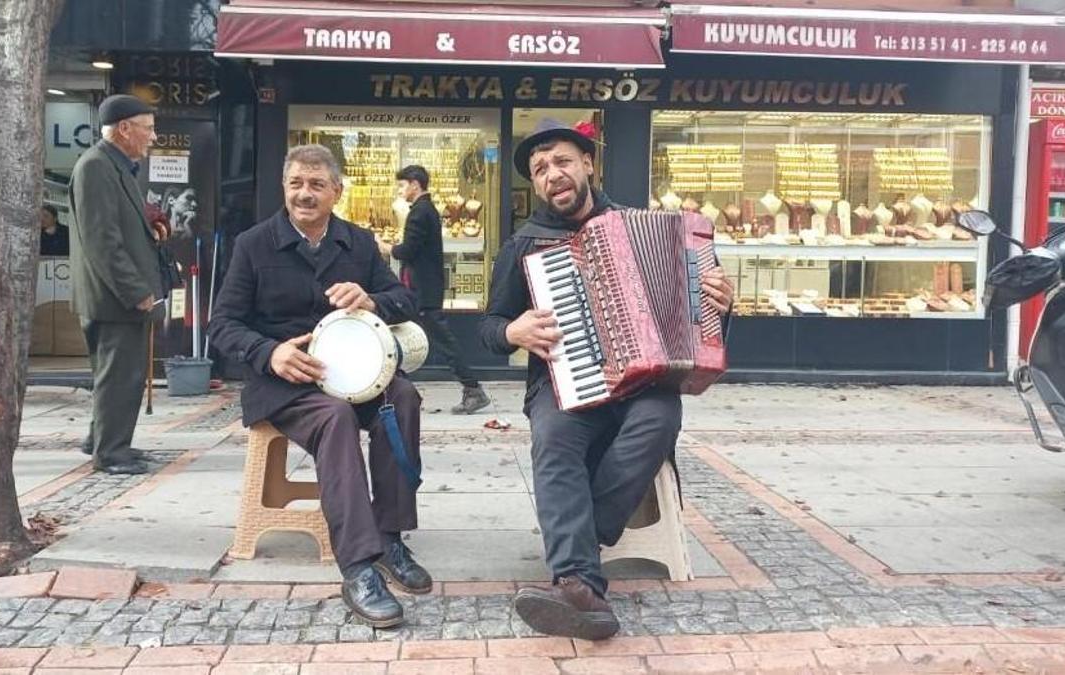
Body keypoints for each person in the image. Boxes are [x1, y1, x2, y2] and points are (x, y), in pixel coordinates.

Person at [480, 119, 735, 640]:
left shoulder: (643, 227)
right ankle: (578, 582)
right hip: (562, 381)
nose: (553, 174)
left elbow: (695, 317)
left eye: (562, 161)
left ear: (588, 164)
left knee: (660, 419)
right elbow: (484, 329)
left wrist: (722, 306)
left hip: (644, 382)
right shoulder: (525, 246)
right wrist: (513, 329)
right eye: (540, 169)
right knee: (553, 438)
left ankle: (577, 553)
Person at [208, 144, 431, 629]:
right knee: (336, 417)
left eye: (315, 185)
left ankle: (390, 535)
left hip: (360, 377)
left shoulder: (358, 242)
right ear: (284, 188)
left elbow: (405, 301)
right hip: (287, 385)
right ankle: (358, 567)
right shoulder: (254, 244)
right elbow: (222, 324)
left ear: (336, 191)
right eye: (295, 184)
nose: (304, 194)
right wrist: (271, 353)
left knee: (405, 396)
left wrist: (371, 299)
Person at [68, 94, 163, 476]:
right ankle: (110, 453)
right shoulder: (96, 167)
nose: (153, 136)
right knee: (119, 376)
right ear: (125, 129)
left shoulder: (116, 166)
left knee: (118, 374)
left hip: (116, 297)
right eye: (148, 128)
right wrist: (135, 290)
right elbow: (102, 241)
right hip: (113, 298)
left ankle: (104, 439)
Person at [378, 165, 490, 414]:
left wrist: (385, 247)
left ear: (414, 185)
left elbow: (408, 251)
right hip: (421, 289)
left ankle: (472, 388)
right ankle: (389, 390)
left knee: (439, 340)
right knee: (396, 334)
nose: (400, 190)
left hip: (421, 291)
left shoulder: (419, 212)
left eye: (402, 185)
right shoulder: (427, 209)